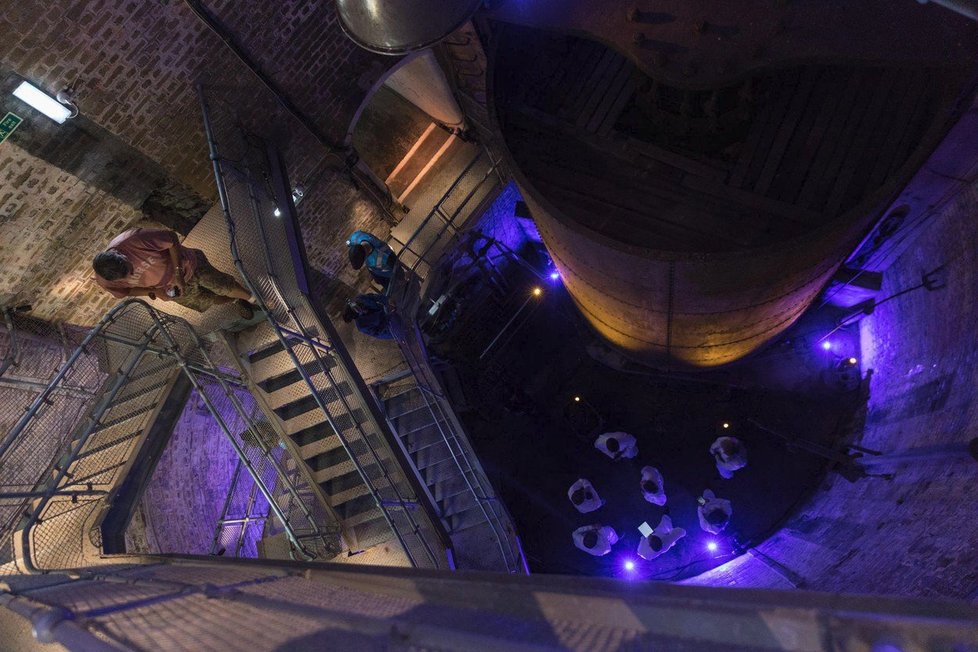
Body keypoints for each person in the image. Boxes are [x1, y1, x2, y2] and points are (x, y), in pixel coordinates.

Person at [93, 227, 254, 318]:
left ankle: (255, 299)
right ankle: (236, 301)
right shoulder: (105, 280)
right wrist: (153, 291)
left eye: (130, 269)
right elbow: (126, 291)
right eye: (126, 277)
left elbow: (171, 238)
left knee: (223, 285)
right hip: (168, 287)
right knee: (208, 300)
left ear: (121, 255)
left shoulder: (133, 240)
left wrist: (177, 273)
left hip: (188, 264)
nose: (132, 275)